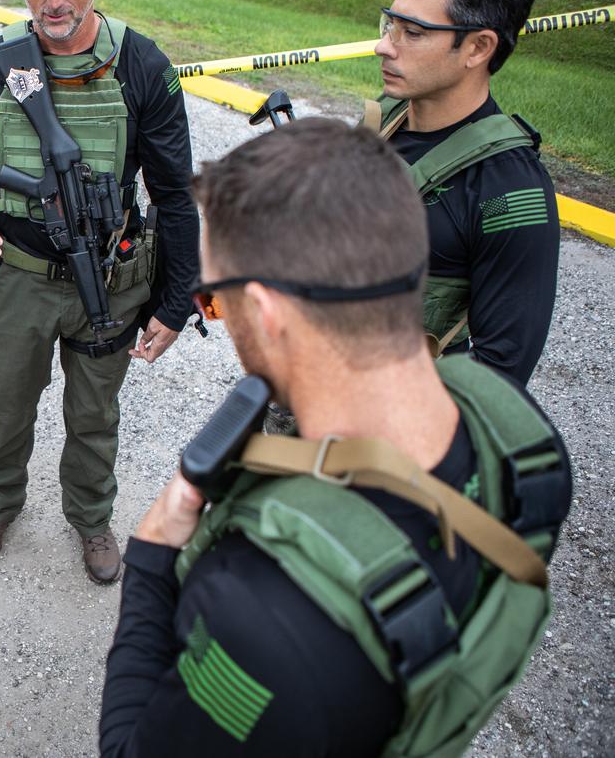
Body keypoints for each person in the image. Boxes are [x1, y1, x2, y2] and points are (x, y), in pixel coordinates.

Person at [100, 118, 571, 756]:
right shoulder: (521, 439)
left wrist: (153, 560)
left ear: (266, 314)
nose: (210, 312)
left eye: (212, 300)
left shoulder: (257, 617)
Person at [0, 0, 197, 583]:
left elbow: (173, 195)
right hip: (15, 277)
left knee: (95, 415)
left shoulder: (142, 66)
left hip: (109, 280)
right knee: (8, 406)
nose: (55, 1)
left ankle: (90, 515)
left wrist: (175, 299)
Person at [368, 0, 558, 385]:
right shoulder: (386, 120)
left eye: (411, 33)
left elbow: (498, 380)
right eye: (389, 24)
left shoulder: (509, 192)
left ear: (477, 48)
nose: (384, 46)